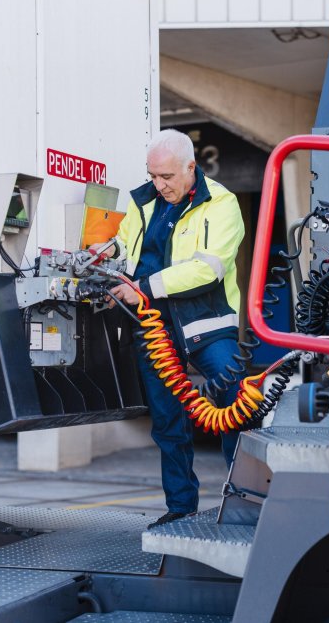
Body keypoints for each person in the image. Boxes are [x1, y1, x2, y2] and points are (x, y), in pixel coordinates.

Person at [108, 128, 246, 529]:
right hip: (154, 327)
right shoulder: (143, 201)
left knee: (232, 406)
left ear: (191, 168)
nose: (159, 184)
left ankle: (244, 502)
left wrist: (145, 288)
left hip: (207, 324)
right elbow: (123, 243)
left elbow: (210, 268)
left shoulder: (221, 204)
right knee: (168, 420)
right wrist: (106, 253)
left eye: (166, 177)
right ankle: (181, 507)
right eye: (153, 175)